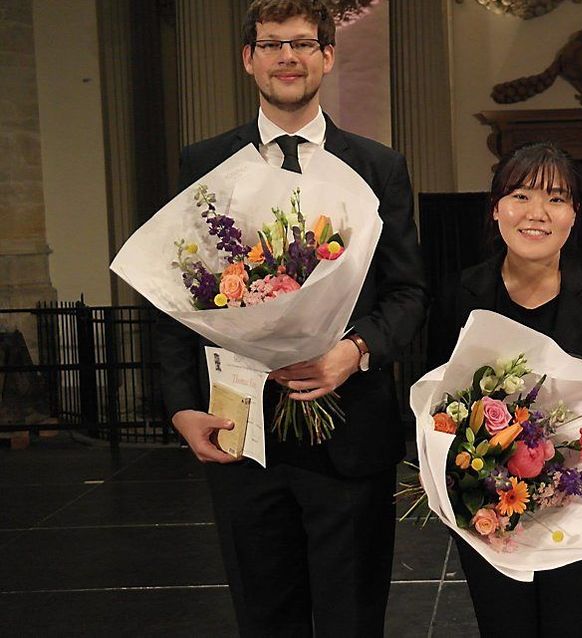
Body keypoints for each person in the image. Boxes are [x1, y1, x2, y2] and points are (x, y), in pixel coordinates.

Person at [155, 1, 427, 635]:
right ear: (248, 58)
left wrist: (352, 351)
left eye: (304, 44)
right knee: (265, 619)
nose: (288, 57)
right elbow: (173, 297)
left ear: (328, 57)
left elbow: (408, 293)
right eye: (272, 45)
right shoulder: (204, 163)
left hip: (351, 437)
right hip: (241, 432)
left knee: (352, 621)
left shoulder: (378, 166)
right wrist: (179, 405)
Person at [427, 142, 582, 637]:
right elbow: (435, 403)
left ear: (574, 215)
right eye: (522, 196)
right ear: (496, 209)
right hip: (486, 507)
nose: (537, 213)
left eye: (556, 198)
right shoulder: (461, 292)